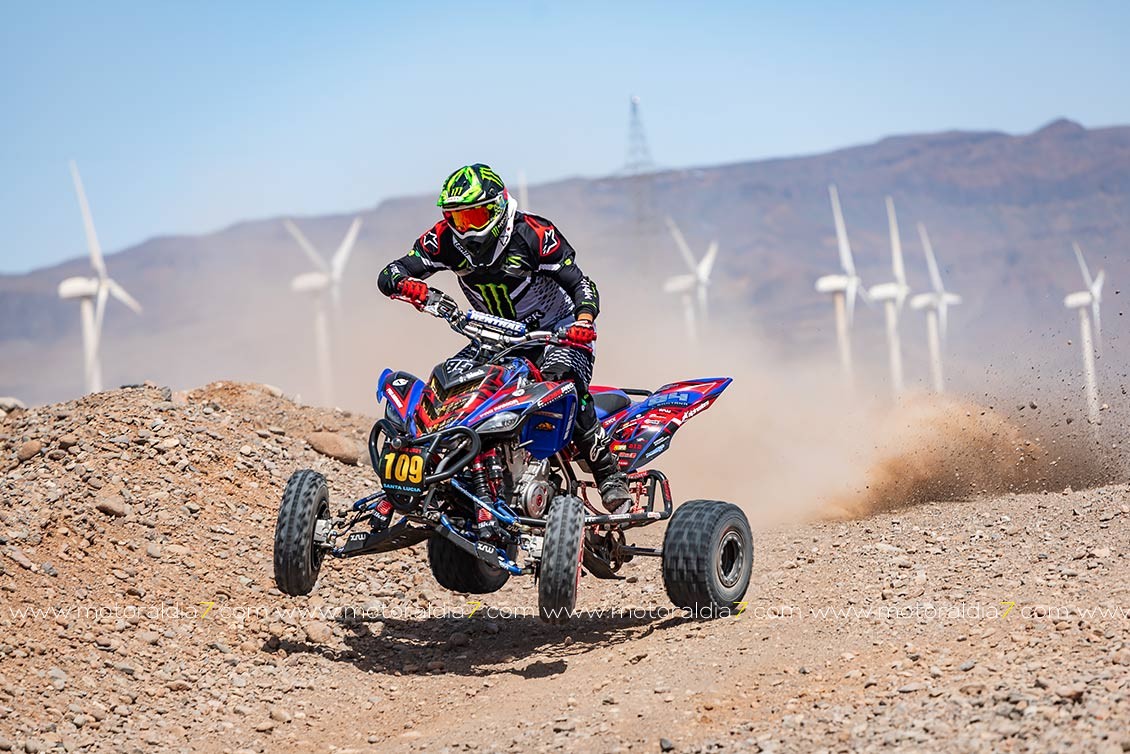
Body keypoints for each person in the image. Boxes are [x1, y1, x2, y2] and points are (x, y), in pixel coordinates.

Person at [376, 163, 632, 514]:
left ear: (498, 207)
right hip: (492, 336)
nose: (466, 228)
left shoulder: (534, 234)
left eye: (475, 216)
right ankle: (439, 478)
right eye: (458, 218)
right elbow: (391, 271)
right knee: (448, 386)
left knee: (563, 384)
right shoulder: (443, 238)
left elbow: (581, 283)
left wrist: (583, 321)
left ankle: (608, 474)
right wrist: (407, 284)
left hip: (556, 333)